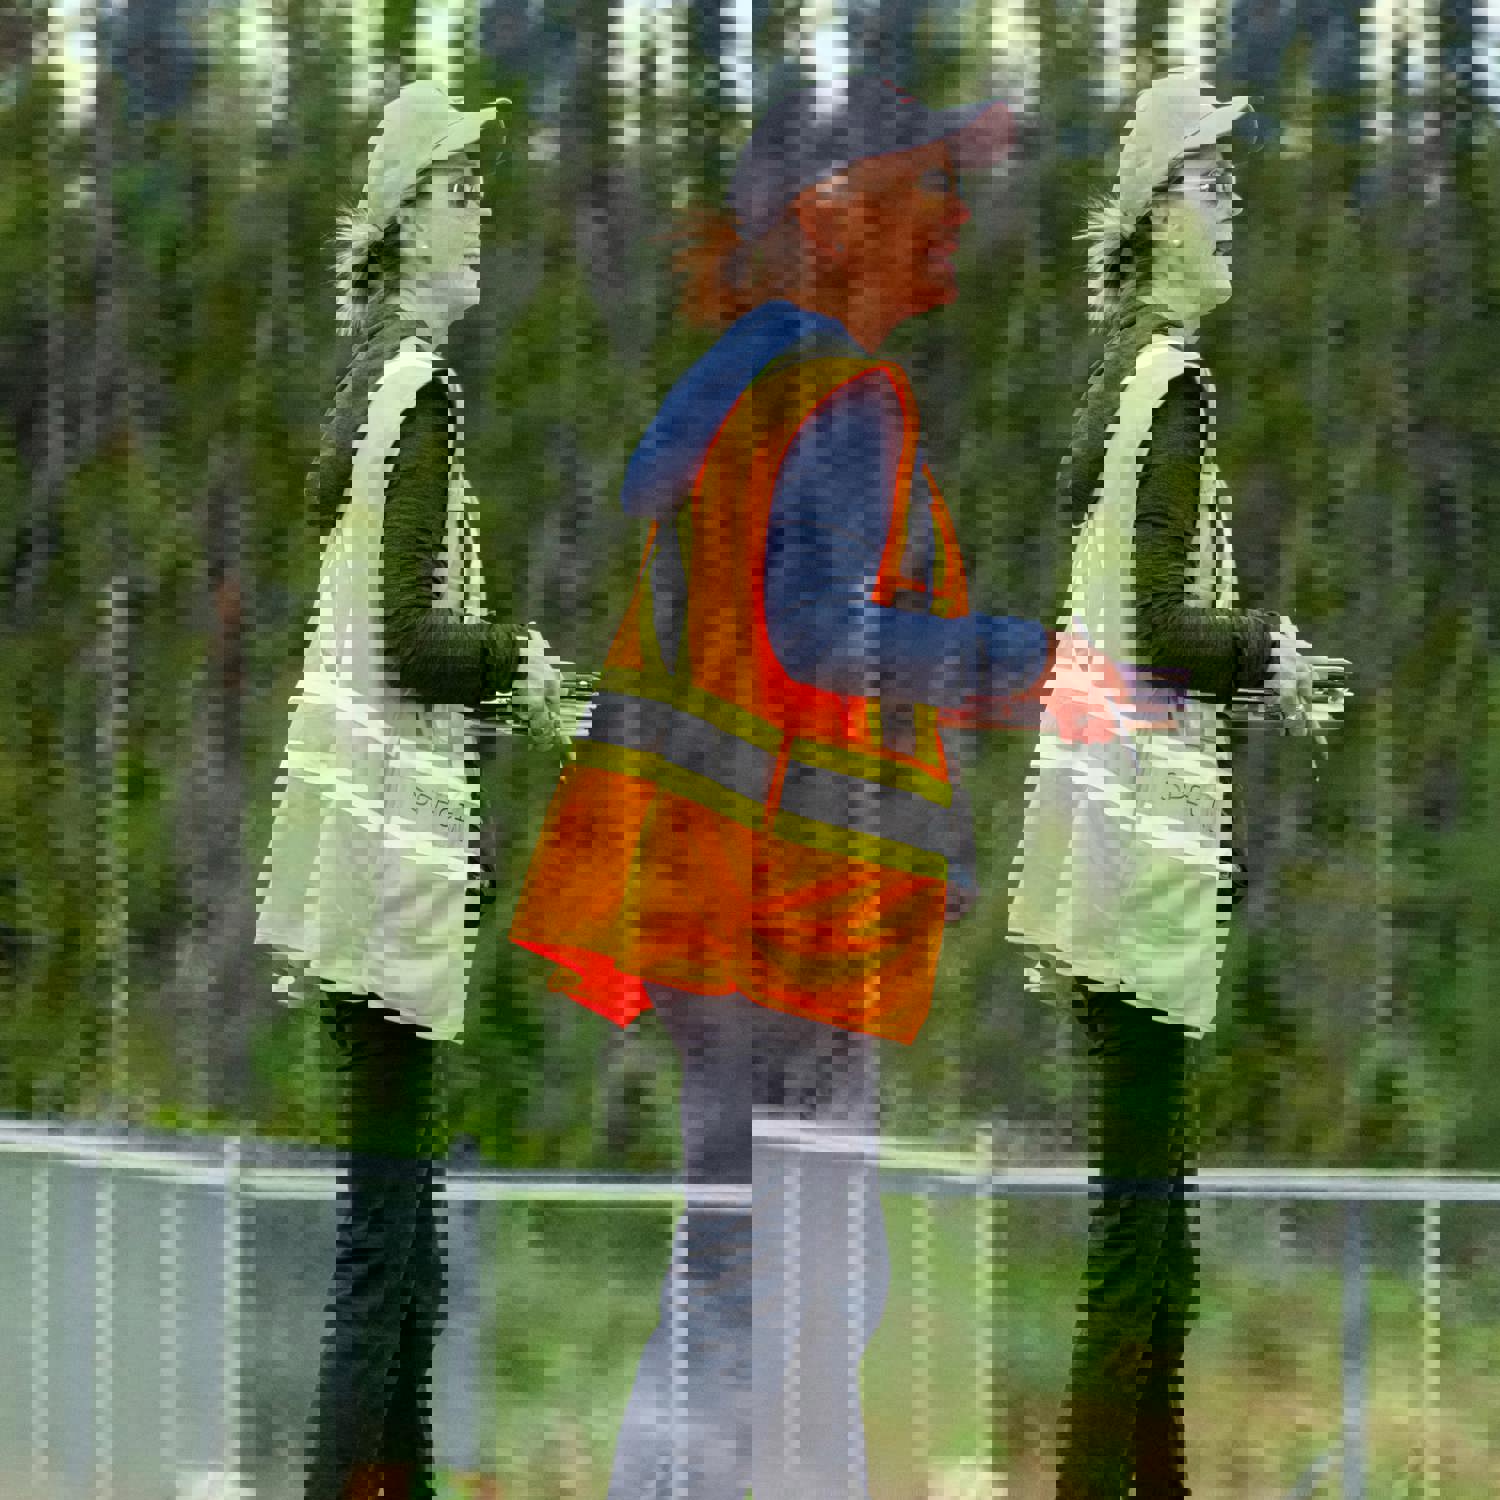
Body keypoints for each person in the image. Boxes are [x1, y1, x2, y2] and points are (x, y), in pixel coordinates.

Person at [508, 72, 1161, 1500]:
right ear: (834, 221)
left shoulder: (744, 391)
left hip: (717, 908)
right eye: (926, 197)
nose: (951, 235)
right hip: (783, 913)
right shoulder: (834, 399)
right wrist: (1032, 669)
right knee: (777, 1302)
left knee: (756, 1279)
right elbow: (819, 633)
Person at [1005, 70, 1351, 1500]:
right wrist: (1274, 654)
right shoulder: (1170, 387)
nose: (1234, 214)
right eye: (1211, 188)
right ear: (1156, 221)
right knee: (1144, 1248)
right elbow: (1158, 627)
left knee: (1151, 1243)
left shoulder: (1128, 385)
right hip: (1129, 874)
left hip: (1104, 861)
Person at [253, 81, 562, 1500]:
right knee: (390, 1262)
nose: (481, 217)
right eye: (459, 193)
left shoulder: (383, 395)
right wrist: (523, 673)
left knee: (408, 1262)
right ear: (404, 222)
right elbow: (413, 639)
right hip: (380, 900)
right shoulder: (415, 394)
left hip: (366, 892)